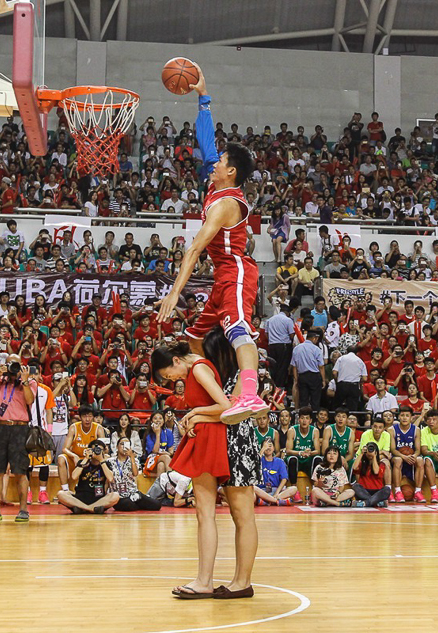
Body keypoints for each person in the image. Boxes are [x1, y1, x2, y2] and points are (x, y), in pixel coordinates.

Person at [156, 63, 268, 424]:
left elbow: (194, 250)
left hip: (236, 271)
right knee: (192, 339)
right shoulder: (214, 185)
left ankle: (249, 394)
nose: (215, 162)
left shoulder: (224, 203)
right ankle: (222, 391)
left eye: (222, 161)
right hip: (223, 275)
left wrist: (175, 292)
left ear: (231, 171)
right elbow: (206, 145)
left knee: (238, 329)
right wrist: (203, 98)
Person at [152, 335, 233, 599]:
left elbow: (225, 406)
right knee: (203, 514)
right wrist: (194, 415)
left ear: (177, 360)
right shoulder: (196, 368)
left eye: (169, 374)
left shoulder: (198, 368)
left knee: (206, 514)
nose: (171, 380)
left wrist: (193, 414)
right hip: (205, 436)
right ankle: (203, 578)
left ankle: (204, 581)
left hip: (210, 438)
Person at [0, 356, 35, 523]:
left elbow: (30, 400)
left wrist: (24, 381)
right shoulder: (1, 381)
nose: (13, 367)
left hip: (20, 428)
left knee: (20, 471)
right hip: (0, 427)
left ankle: (23, 510)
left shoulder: (29, 382)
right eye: (10, 363)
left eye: (16, 364)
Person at [56, 439, 120, 514]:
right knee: (61, 494)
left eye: (99, 450)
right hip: (80, 498)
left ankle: (82, 509)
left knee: (115, 495)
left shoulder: (106, 464)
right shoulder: (83, 462)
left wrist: (101, 460)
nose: (97, 452)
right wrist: (86, 458)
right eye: (94, 450)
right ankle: (90, 509)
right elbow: (74, 477)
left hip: (99, 500)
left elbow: (110, 479)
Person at [56, 405, 107, 493]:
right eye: (84, 416)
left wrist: (94, 455)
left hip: (92, 459)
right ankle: (65, 490)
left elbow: (105, 449)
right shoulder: (74, 427)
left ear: (93, 417)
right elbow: (64, 449)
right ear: (80, 417)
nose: (87, 419)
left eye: (90, 416)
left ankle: (106, 489)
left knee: (107, 456)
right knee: (61, 458)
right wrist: (74, 456)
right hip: (76, 459)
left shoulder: (98, 428)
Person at [108, 435, 162, 512]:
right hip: (118, 495)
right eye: (122, 444)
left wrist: (132, 457)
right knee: (128, 505)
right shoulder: (110, 461)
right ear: (117, 447)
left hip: (133, 493)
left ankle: (137, 501)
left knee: (157, 505)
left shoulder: (134, 460)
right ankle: (138, 503)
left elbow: (135, 473)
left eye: (126, 444)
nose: (124, 446)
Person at [390, 407, 425, 503]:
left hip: (410, 457)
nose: (404, 418)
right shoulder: (392, 430)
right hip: (397, 457)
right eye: (402, 415)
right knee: (398, 460)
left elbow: (418, 450)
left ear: (411, 417)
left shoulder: (416, 430)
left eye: (407, 416)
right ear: (398, 417)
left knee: (420, 460)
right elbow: (393, 449)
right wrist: (404, 456)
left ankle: (418, 491)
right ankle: (397, 491)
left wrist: (414, 455)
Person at [254, 437, 297, 505]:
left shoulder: (279, 461)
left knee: (293, 489)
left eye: (270, 446)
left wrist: (277, 492)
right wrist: (262, 450)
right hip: (262, 491)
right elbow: (254, 464)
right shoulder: (259, 460)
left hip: (276, 490)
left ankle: (267, 501)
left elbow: (284, 479)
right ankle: (276, 501)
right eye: (265, 446)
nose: (268, 448)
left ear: (274, 448)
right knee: (253, 489)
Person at [290, 329, 325, 410]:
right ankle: (314, 420)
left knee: (303, 400)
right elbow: (321, 366)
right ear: (314, 338)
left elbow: (294, 366)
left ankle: (303, 418)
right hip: (314, 376)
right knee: (315, 400)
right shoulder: (316, 349)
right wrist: (323, 380)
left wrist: (296, 379)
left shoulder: (296, 348)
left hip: (302, 376)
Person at [352, 442, 390, 507]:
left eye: (372, 450)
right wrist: (361, 453)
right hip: (364, 491)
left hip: (377, 491)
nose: (370, 452)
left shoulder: (381, 464)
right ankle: (376, 502)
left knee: (387, 489)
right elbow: (354, 467)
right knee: (355, 486)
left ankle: (365, 503)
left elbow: (376, 471)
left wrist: (374, 456)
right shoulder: (362, 464)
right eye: (368, 450)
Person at [332, 346, 367, 411]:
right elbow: (365, 378)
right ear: (357, 353)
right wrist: (359, 381)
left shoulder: (341, 358)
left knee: (337, 406)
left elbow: (334, 373)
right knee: (352, 408)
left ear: (346, 351)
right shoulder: (360, 361)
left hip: (342, 385)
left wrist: (337, 381)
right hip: (354, 386)